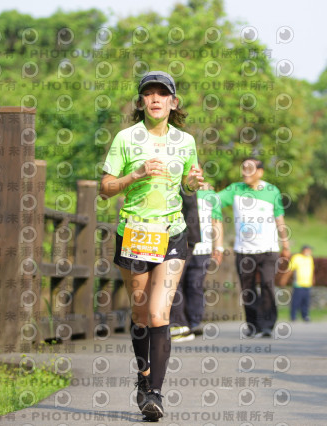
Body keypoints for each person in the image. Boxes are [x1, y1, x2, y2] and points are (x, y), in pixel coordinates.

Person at [99, 71, 203, 421]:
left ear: (174, 103)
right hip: (134, 233)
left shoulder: (186, 142)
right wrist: (135, 175)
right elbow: (106, 187)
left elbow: (188, 186)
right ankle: (143, 380)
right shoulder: (126, 138)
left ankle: (155, 394)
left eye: (163, 94)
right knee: (141, 315)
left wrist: (191, 183)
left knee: (160, 314)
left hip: (172, 232)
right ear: (141, 101)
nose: (155, 99)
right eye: (149, 94)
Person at [218, 157, 290, 338]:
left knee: (267, 285)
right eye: (243, 168)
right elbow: (214, 200)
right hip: (244, 250)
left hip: (268, 249)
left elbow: (279, 219)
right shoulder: (235, 189)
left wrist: (285, 244)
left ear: (260, 172)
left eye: (250, 169)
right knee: (247, 288)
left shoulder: (272, 191)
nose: (245, 172)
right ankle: (253, 325)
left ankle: (267, 325)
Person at [170, 182, 224, 342]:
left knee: (195, 285)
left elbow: (217, 221)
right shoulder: (175, 190)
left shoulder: (211, 195)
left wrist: (219, 247)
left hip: (203, 247)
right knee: (176, 282)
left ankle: (193, 322)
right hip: (182, 245)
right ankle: (180, 323)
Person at [289, 245, 315, 322]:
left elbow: (312, 270)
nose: (310, 252)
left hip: (308, 284)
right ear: (304, 250)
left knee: (306, 302)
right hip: (298, 284)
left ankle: (305, 316)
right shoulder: (297, 257)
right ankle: (293, 316)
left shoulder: (310, 258)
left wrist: (313, 279)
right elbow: (290, 269)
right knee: (296, 301)